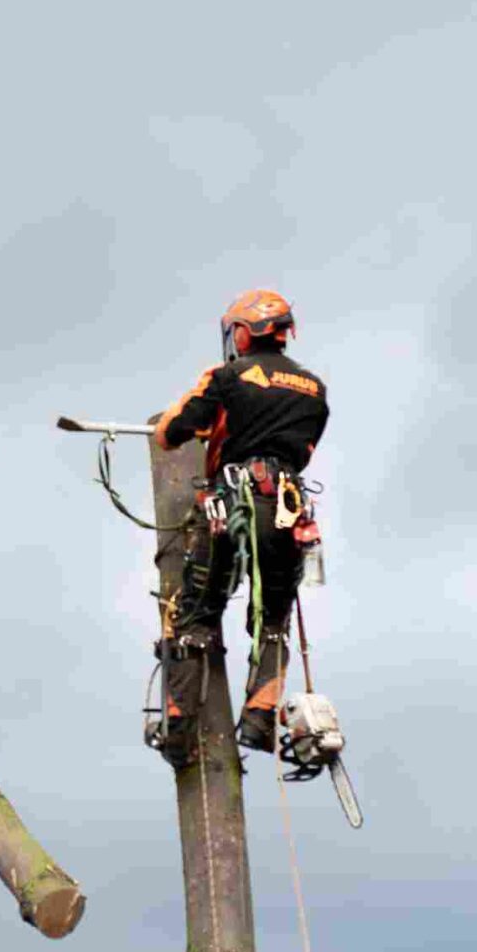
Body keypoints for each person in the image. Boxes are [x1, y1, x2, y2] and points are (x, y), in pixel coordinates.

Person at [150, 288, 330, 754]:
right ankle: (259, 716)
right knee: (272, 617)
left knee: (194, 613)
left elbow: (170, 434)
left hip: (229, 503)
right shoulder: (315, 389)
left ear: (244, 334)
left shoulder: (228, 376)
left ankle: (179, 726)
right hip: (285, 507)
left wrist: (205, 398)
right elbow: (299, 449)